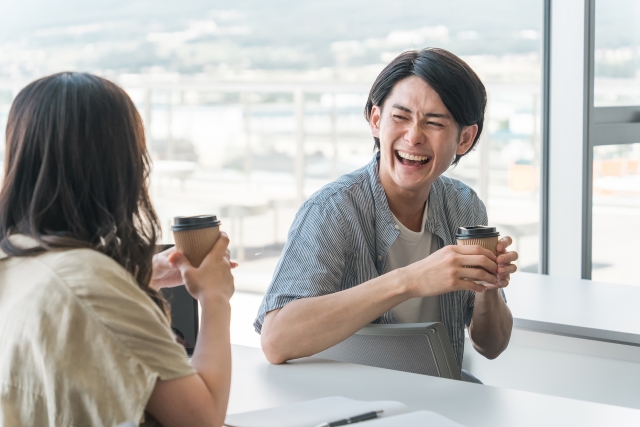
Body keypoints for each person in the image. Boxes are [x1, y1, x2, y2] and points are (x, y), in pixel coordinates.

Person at [255, 48, 518, 369]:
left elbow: (492, 346)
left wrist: (488, 288)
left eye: (434, 123)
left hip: (441, 396)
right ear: (376, 120)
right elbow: (276, 341)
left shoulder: (463, 205)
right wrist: (411, 280)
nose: (413, 136)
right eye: (400, 117)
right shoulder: (333, 209)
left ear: (464, 139)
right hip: (350, 403)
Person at [0, 72, 235, 427]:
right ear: (120, 164)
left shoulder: (17, 255)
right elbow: (202, 420)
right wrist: (215, 298)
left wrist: (135, 280)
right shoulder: (89, 281)